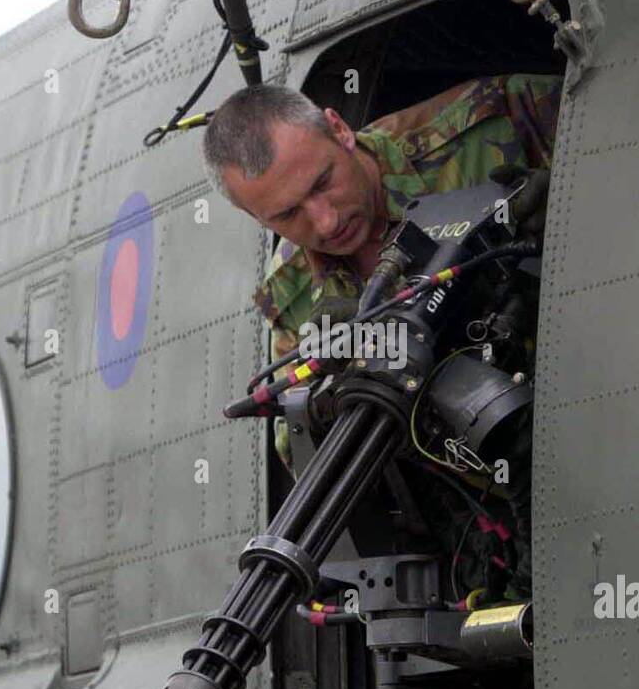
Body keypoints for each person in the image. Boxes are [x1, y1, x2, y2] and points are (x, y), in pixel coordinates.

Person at [203, 73, 562, 468]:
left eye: (323, 183)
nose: (326, 222)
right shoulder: (295, 293)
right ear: (253, 216)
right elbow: (301, 455)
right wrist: (336, 386)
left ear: (340, 130)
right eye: (288, 214)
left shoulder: (495, 120)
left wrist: (568, 201)